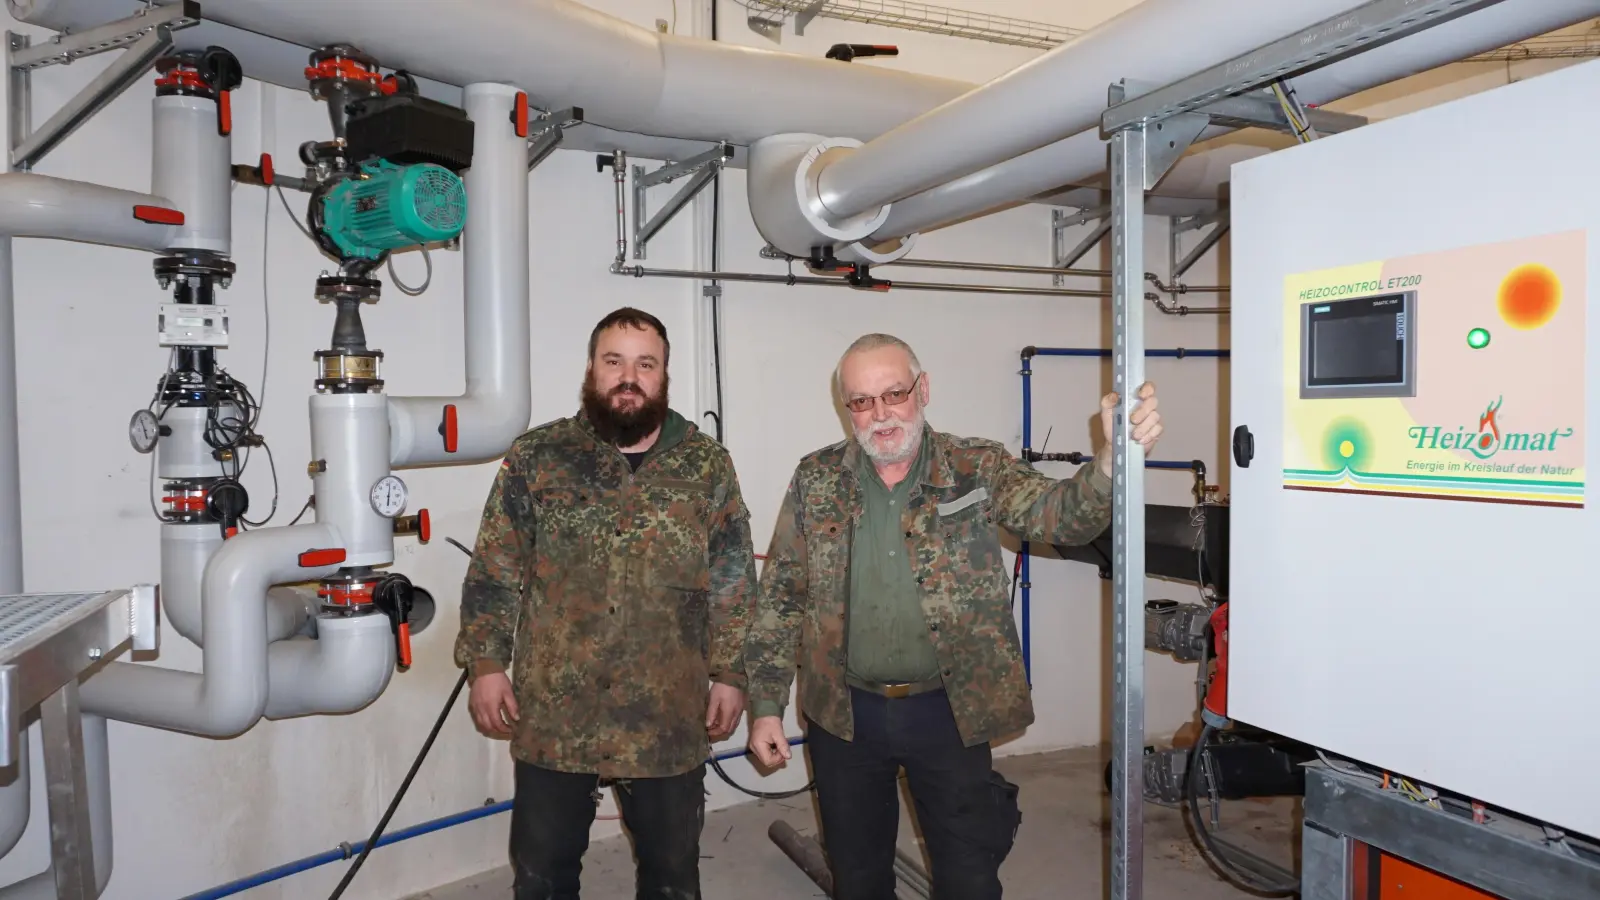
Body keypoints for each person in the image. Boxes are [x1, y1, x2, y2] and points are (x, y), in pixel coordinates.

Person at [744, 333, 1163, 899]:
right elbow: (782, 594)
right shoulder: (817, 478)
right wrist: (766, 706)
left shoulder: (977, 465)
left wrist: (1112, 462)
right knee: (858, 877)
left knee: (968, 876)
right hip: (842, 715)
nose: (880, 414)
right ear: (847, 408)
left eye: (893, 393)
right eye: (862, 402)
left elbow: (1060, 519)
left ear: (923, 389)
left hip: (949, 710)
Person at [454, 307, 757, 900]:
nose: (628, 377)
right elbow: (495, 565)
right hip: (558, 714)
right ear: (591, 369)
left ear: (664, 375)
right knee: (542, 875)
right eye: (613, 361)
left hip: (667, 714)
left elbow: (733, 579)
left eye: (645, 364)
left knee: (673, 877)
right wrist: (486, 665)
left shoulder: (706, 465)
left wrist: (731, 672)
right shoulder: (540, 457)